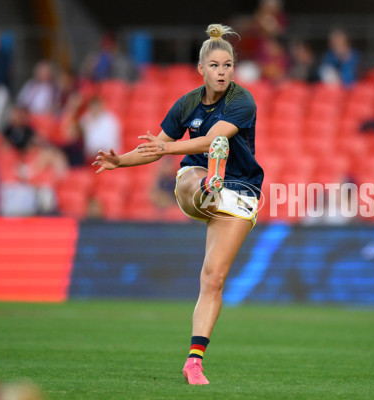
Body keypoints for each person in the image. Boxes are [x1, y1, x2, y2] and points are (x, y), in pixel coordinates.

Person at [92, 24, 264, 385]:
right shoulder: (186, 104)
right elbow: (157, 147)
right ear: (201, 69)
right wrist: (120, 160)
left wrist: (166, 148)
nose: (222, 72)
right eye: (215, 65)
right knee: (190, 175)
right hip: (197, 182)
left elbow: (206, 139)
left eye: (228, 65)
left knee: (213, 279)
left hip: (240, 191)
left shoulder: (242, 101)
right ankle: (207, 186)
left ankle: (194, 362)